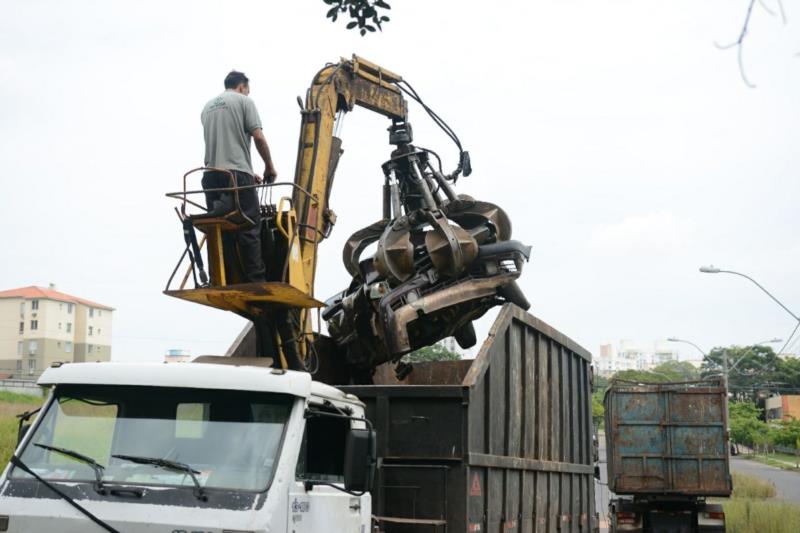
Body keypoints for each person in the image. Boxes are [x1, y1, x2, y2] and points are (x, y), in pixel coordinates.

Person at [200, 70, 277, 283]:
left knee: (220, 228)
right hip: (237, 176)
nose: (248, 94)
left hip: (211, 176)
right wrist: (269, 166)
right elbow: (259, 138)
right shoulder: (244, 102)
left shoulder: (207, 108)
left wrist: (249, 172)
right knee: (250, 227)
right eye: (248, 91)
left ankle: (221, 278)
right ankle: (256, 281)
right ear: (242, 87)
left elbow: (223, 147)